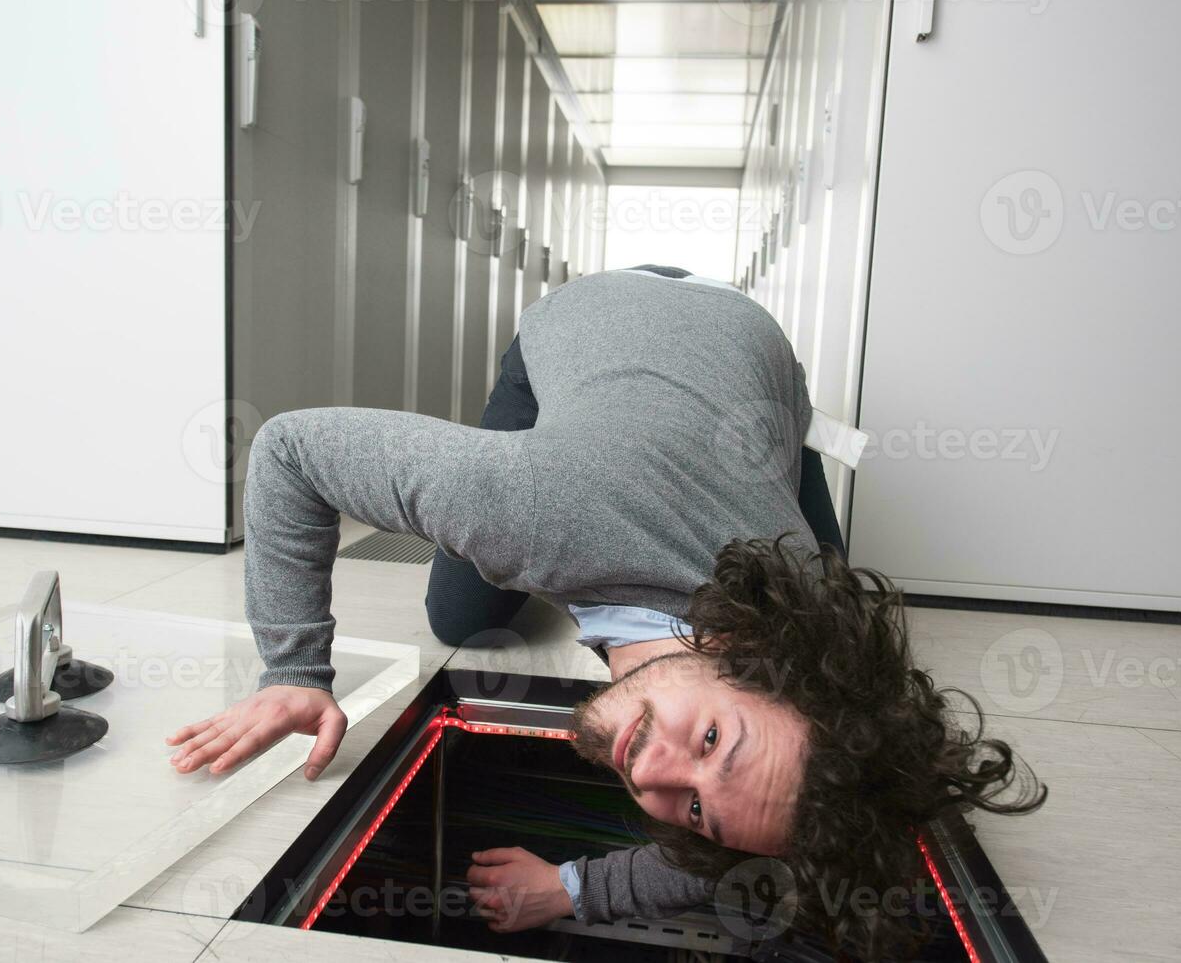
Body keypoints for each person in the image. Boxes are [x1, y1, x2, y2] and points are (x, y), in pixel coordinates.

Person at [166, 266, 1044, 959]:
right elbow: (289, 451)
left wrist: (578, 889)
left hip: (759, 357)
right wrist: (293, 671)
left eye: (693, 808)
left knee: (821, 569)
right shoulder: (536, 509)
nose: (655, 772)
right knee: (460, 617)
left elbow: (750, 830)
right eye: (708, 743)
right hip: (597, 309)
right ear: (762, 658)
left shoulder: (803, 613)